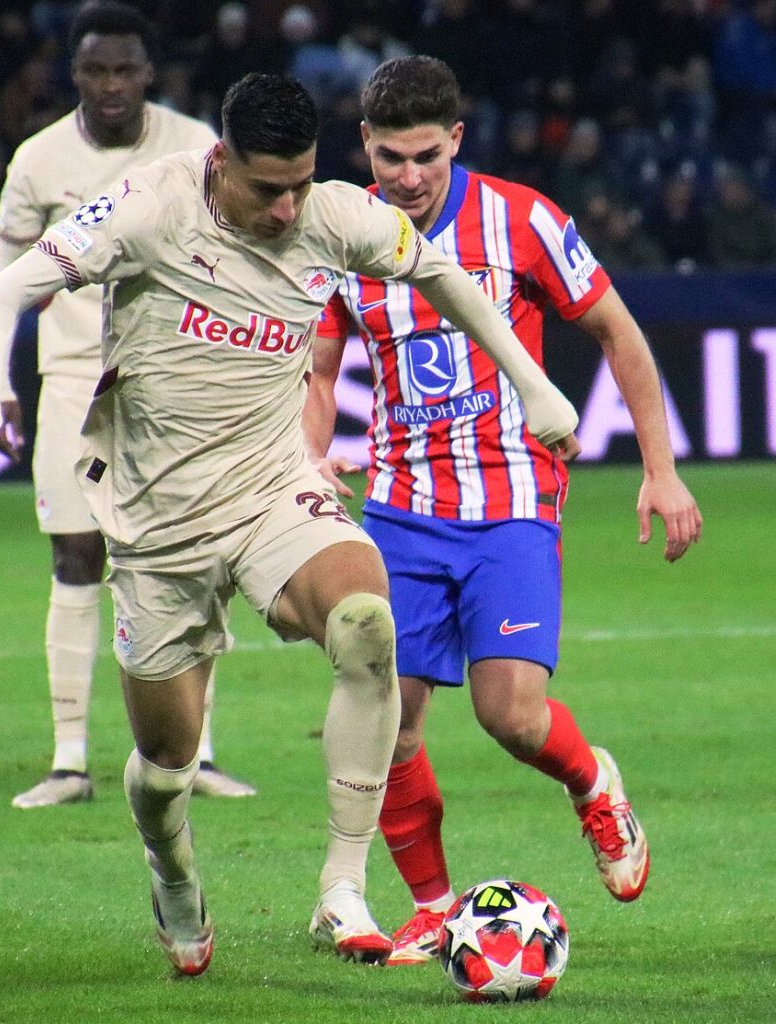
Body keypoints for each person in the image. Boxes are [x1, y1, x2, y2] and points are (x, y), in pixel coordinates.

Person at [0, 72, 580, 975]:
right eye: (266, 188)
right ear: (220, 162)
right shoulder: (147, 207)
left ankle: (342, 889)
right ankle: (172, 873)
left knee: (366, 623)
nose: (286, 209)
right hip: (158, 518)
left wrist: (531, 382)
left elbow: (441, 272)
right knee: (166, 763)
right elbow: (2, 292)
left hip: (272, 486)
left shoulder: (335, 213)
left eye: (300, 185)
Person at [305, 55, 703, 966]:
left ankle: (591, 781)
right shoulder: (338, 234)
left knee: (511, 715)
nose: (408, 177)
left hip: (512, 498)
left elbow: (616, 330)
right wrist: (306, 457)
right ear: (363, 144)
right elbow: (318, 372)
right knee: (386, 721)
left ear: (456, 139)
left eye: (426, 157)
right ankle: (434, 909)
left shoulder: (520, 219)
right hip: (398, 507)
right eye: (390, 157)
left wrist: (661, 470)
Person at [0, 1, 254, 807]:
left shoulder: (195, 148)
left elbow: (234, 257)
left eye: (124, 69)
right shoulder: (38, 161)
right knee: (76, 555)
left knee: (191, 561)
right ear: (74, 73)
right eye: (96, 70)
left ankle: (197, 754)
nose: (110, 85)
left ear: (147, 73)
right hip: (73, 377)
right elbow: (5, 279)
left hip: (173, 381)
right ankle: (70, 762)